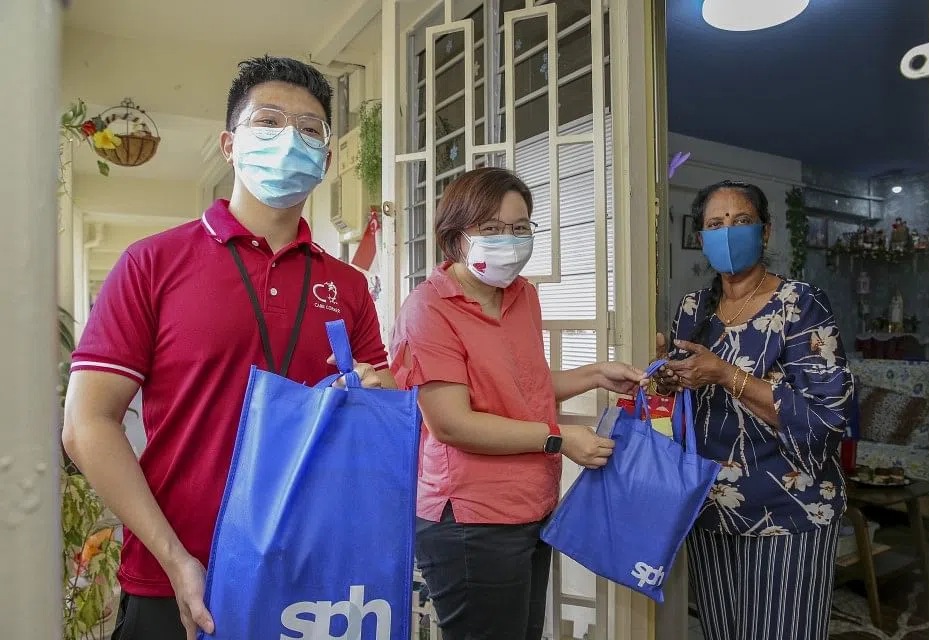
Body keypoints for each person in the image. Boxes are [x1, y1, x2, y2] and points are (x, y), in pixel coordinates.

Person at [62, 55, 393, 640]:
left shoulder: (346, 287)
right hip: (177, 575)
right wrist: (173, 557)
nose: (290, 139)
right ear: (229, 144)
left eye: (309, 129)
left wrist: (374, 392)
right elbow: (88, 423)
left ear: (327, 158)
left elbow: (379, 405)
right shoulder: (153, 263)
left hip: (311, 578)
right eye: (268, 122)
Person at [389, 167, 649, 640]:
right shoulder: (429, 310)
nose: (508, 240)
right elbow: (452, 423)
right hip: (472, 518)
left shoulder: (522, 296)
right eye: (490, 229)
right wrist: (558, 438)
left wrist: (595, 375)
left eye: (519, 228)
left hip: (532, 505)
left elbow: (520, 386)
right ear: (456, 235)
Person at [653, 180, 854, 640]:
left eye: (741, 221)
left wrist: (727, 374)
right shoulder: (692, 308)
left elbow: (826, 417)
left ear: (765, 232)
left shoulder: (802, 304)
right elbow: (684, 399)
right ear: (701, 237)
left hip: (791, 511)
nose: (727, 232)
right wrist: (669, 379)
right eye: (714, 224)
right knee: (724, 631)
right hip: (710, 507)